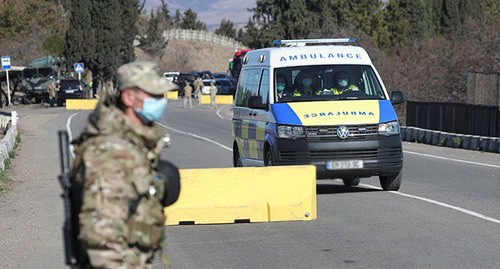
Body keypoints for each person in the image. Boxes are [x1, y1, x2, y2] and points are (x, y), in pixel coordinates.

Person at [70, 61, 177, 268]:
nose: (161, 101)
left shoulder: (133, 142)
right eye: (153, 95)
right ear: (128, 97)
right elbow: (103, 240)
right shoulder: (111, 152)